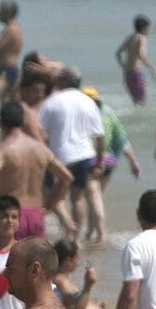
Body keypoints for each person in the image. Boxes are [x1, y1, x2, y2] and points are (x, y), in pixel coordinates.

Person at [0, 102, 71, 240]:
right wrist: (50, 206)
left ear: (0, 123)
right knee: (36, 261)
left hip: (11, 216)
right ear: (23, 122)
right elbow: (67, 178)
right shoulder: (41, 149)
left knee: (6, 261)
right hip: (36, 216)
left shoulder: (1, 150)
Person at [39, 67, 105, 242]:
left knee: (50, 193)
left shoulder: (53, 101)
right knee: (77, 197)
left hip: (58, 156)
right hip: (83, 155)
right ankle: (75, 239)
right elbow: (99, 135)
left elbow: (40, 131)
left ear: (65, 81)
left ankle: (67, 222)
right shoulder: (88, 101)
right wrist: (99, 160)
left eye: (59, 79)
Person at [81, 88, 140, 243]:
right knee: (95, 196)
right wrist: (133, 161)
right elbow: (122, 140)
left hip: (91, 162)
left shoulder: (82, 116)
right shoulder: (108, 115)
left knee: (94, 196)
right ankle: (90, 231)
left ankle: (101, 234)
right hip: (109, 163)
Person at [52, 237, 111, 309]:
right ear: (68, 260)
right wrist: (88, 286)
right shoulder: (62, 282)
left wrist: (93, 305)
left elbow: (70, 304)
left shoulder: (58, 280)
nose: (78, 262)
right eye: (77, 258)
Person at [114, 15, 156, 106]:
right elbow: (142, 54)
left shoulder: (130, 37)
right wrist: (151, 68)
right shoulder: (142, 38)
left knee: (135, 101)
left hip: (127, 73)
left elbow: (118, 53)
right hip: (137, 73)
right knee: (142, 100)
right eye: (148, 28)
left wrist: (123, 66)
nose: (149, 30)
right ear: (144, 28)